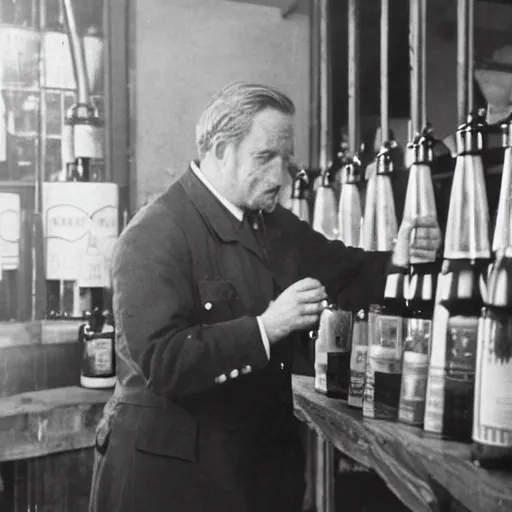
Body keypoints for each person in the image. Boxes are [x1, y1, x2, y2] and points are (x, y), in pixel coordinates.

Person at [88, 82, 440, 512]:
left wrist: (398, 260)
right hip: (170, 482)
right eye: (264, 158)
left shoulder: (269, 222)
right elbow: (165, 360)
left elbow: (345, 273)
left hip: (251, 478)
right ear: (220, 150)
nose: (280, 176)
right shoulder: (155, 233)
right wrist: (268, 327)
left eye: (285, 159)